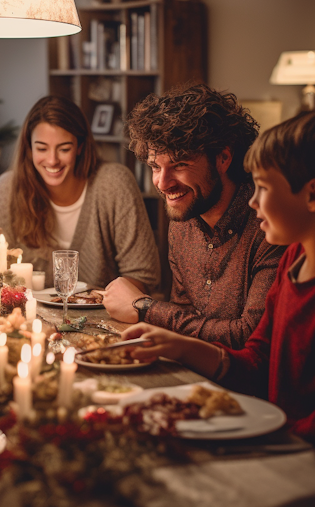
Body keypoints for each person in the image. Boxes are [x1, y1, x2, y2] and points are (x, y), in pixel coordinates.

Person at [123, 103, 315, 507]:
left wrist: (251, 444)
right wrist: (178, 345)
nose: (250, 201)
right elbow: (257, 361)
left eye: (262, 188)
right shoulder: (293, 261)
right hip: (277, 450)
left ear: (314, 195)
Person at [103, 84, 284, 348]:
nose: (163, 184)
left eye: (179, 165)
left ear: (223, 158)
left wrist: (145, 307)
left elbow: (249, 337)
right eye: (155, 167)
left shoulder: (271, 227)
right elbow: (181, 323)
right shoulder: (183, 221)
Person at [0, 95, 160, 291]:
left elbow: (143, 275)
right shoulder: (8, 188)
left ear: (80, 146)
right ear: (29, 149)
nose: (52, 160)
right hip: (25, 317)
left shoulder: (113, 184)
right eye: (41, 148)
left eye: (64, 149)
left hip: (102, 317)